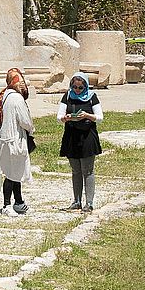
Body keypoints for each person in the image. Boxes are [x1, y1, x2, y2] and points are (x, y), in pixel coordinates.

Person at [58, 72, 103, 212]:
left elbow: (100, 117)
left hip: (87, 137)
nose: (77, 90)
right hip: (71, 136)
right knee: (75, 170)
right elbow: (59, 116)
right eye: (75, 87)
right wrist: (65, 118)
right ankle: (76, 201)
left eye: (80, 88)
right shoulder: (67, 96)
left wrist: (87, 115)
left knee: (87, 171)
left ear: (86, 86)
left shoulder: (92, 97)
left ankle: (89, 203)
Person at [0, 68, 35, 217]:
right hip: (15, 139)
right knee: (11, 174)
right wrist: (31, 128)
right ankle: (6, 204)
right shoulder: (17, 98)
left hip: (5, 138)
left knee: (15, 172)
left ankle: (18, 202)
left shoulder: (4, 95)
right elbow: (25, 121)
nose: (22, 84)